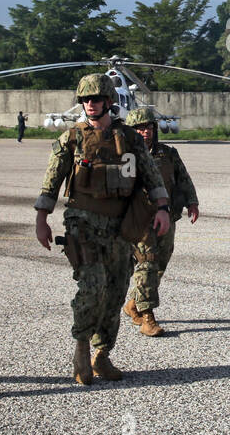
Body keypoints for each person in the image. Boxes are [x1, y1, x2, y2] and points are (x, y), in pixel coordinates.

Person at [33, 73, 169, 385]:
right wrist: (42, 219)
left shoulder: (131, 139)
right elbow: (51, 182)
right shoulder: (72, 138)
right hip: (84, 225)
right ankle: (81, 346)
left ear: (109, 101)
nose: (90, 105)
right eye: (85, 100)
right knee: (91, 287)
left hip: (121, 227)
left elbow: (151, 177)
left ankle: (102, 354)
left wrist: (161, 209)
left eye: (95, 99)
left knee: (116, 290)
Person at [121, 107, 199, 337]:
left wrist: (192, 202)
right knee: (147, 263)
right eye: (140, 128)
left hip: (166, 216)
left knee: (160, 263)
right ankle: (148, 317)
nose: (145, 132)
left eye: (149, 127)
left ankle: (133, 303)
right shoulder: (126, 156)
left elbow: (183, 178)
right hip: (140, 219)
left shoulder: (168, 154)